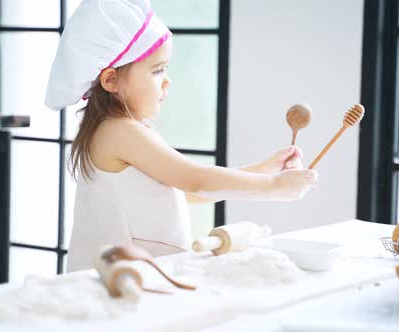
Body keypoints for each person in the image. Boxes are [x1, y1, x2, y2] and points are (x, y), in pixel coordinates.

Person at [45, 0, 318, 272]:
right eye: (157, 70)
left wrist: (264, 171)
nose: (167, 81)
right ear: (110, 80)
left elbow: (184, 190)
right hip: (117, 280)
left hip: (135, 277)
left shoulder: (123, 129)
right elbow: (195, 180)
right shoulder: (119, 131)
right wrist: (273, 187)